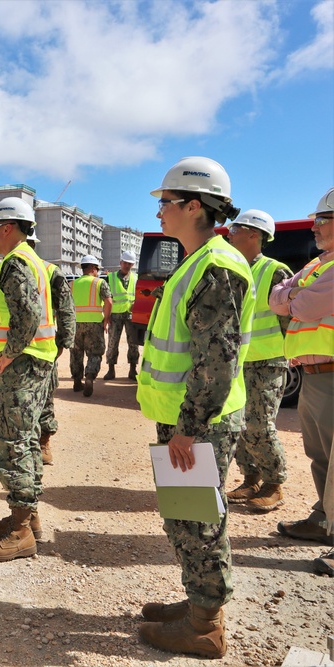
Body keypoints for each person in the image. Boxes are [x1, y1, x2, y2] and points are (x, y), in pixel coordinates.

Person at [136, 156, 250, 659]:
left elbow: (216, 361)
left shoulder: (216, 268)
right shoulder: (195, 260)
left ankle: (205, 626)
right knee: (184, 515)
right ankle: (197, 606)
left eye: (166, 202)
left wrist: (190, 428)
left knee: (198, 519)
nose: (160, 212)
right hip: (185, 418)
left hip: (198, 422)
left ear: (193, 205)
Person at [0, 198, 57, 562]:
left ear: (7, 227)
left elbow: (27, 313)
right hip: (33, 361)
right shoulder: (32, 261)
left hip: (21, 364)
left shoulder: (16, 263)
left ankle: (22, 531)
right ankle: (27, 517)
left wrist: (8, 353)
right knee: (24, 441)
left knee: (9, 444)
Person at [269, 186, 334, 577]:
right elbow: (277, 298)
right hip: (314, 375)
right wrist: (296, 293)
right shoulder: (318, 265)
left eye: (322, 221)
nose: (314, 227)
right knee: (321, 456)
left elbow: (303, 305)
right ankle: (324, 520)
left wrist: (294, 296)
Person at [222, 210, 292, 514]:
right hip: (240, 361)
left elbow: (290, 319)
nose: (230, 232)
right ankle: (251, 479)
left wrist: (291, 353)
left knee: (260, 425)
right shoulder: (232, 267)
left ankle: (274, 484)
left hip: (269, 361)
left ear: (254, 234)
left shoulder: (275, 271)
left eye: (236, 228)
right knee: (239, 425)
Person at [26, 229, 75, 466]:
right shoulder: (3, 268)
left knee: (44, 396)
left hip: (43, 346)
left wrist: (64, 341)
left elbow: (65, 308)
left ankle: (44, 441)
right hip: (10, 348)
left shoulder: (49, 271)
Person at [70, 256, 112, 397]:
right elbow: (109, 302)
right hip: (94, 324)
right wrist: (106, 319)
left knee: (76, 353)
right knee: (94, 352)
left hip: (75, 323)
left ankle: (77, 380)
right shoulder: (99, 283)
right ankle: (89, 376)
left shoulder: (72, 284)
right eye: (97, 269)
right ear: (93, 268)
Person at [104, 251, 140, 381]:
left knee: (133, 343)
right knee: (113, 343)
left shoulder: (136, 278)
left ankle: (132, 370)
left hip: (131, 315)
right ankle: (111, 370)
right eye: (125, 263)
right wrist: (106, 315)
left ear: (132, 265)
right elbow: (106, 297)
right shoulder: (111, 277)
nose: (127, 266)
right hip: (115, 315)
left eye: (129, 264)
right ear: (121, 263)